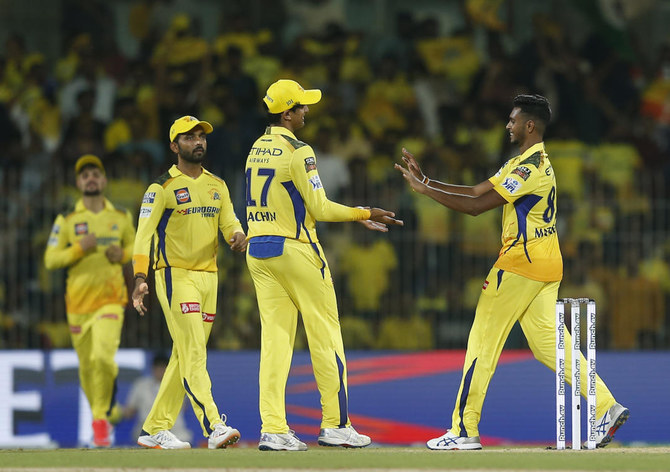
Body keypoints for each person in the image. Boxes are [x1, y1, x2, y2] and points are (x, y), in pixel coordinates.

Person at [395, 94, 629, 450]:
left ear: (529, 125)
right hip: (547, 265)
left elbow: (476, 208)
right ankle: (606, 407)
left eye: (513, 120)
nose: (508, 125)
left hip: (519, 264)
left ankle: (463, 430)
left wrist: (424, 192)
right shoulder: (528, 162)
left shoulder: (527, 169)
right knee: (550, 346)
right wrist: (427, 179)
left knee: (482, 344)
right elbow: (475, 190)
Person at [245, 79, 403, 451]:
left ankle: (273, 428)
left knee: (276, 342)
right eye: (301, 107)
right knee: (326, 336)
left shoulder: (256, 148)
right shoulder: (300, 151)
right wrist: (363, 212)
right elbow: (319, 208)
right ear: (287, 113)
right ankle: (335, 423)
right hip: (297, 249)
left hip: (259, 250)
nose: (307, 112)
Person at [131, 115, 248, 450]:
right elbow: (142, 237)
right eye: (189, 137)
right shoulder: (161, 188)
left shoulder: (218, 185)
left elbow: (231, 223)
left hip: (209, 278)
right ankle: (213, 425)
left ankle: (155, 427)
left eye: (201, 136)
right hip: (174, 275)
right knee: (194, 351)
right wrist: (140, 278)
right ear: (174, 146)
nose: (198, 142)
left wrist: (238, 236)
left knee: (185, 355)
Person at [44, 154, 135, 447]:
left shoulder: (121, 217)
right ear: (78, 183)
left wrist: (122, 255)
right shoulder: (67, 220)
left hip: (111, 299)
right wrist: (77, 250)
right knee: (86, 368)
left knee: (102, 358)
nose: (91, 178)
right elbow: (50, 259)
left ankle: (99, 420)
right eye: (85, 175)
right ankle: (107, 409)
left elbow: (136, 246)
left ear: (104, 180)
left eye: (95, 173)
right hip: (78, 307)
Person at [124, 352, 193, 444]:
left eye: (163, 367)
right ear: (153, 369)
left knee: (184, 438)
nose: (160, 371)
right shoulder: (141, 385)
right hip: (147, 432)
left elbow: (184, 408)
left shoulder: (178, 385)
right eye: (158, 368)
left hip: (175, 431)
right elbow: (130, 411)